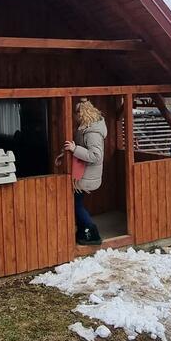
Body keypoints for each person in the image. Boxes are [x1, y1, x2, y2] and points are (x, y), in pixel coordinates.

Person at [64, 98, 106, 245]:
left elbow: (95, 155)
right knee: (77, 203)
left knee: (76, 204)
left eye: (75, 115)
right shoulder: (86, 128)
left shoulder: (92, 132)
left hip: (86, 175)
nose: (74, 118)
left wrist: (75, 149)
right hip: (82, 173)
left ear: (80, 114)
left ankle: (92, 231)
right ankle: (84, 232)